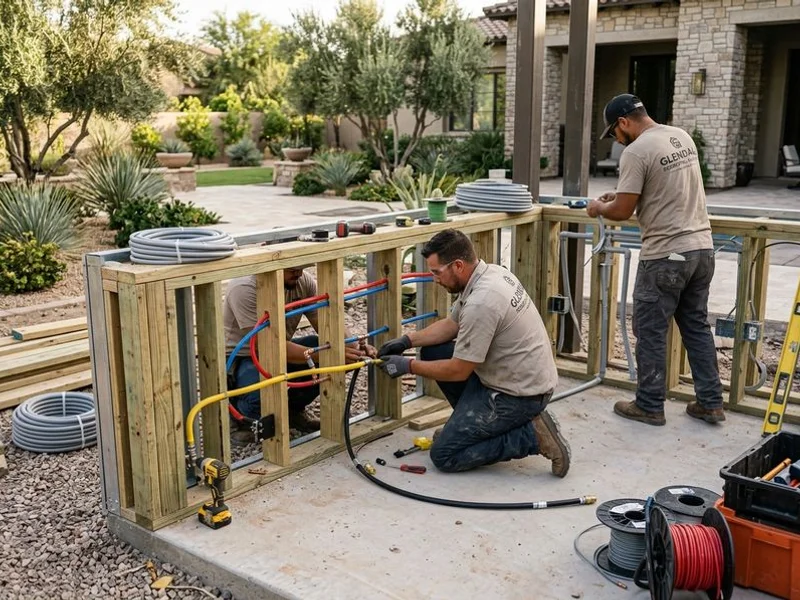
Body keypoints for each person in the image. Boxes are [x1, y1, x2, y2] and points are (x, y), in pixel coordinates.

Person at [377, 229, 570, 476]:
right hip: (512, 376)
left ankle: (532, 436)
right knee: (434, 351)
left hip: (520, 395)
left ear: (458, 265)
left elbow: (458, 371)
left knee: (444, 455)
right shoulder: (489, 274)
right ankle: (468, 431)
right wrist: (407, 341)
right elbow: (451, 325)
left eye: (437, 272)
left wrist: (407, 366)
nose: (435, 279)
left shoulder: (483, 302)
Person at [587, 93, 725, 426]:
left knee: (650, 330)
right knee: (695, 326)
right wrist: (620, 196)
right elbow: (661, 190)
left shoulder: (636, 151)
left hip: (667, 256)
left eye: (614, 133)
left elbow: (622, 211)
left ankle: (649, 405)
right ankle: (711, 403)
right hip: (701, 250)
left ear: (623, 122)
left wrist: (598, 207)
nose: (616, 140)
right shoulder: (680, 136)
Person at [224, 266, 376, 432]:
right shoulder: (244, 289)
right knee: (261, 388)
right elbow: (269, 346)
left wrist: (353, 346)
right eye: (292, 269)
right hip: (240, 357)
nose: (299, 273)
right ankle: (241, 421)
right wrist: (326, 354)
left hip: (279, 347)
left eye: (301, 268)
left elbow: (325, 321)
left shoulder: (302, 281)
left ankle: (292, 411)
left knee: (331, 353)